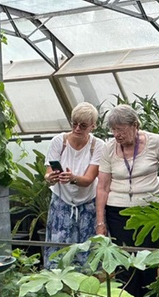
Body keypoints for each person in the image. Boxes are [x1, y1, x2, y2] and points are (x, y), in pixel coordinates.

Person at [96, 105, 159, 297]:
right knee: (124, 263)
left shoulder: (156, 142)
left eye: (121, 129)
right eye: (113, 130)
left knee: (148, 262)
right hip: (117, 211)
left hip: (151, 211)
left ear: (135, 126)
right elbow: (102, 186)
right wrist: (100, 221)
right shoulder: (109, 149)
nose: (116, 135)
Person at [43, 102, 105, 267]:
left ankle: (86, 288)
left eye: (83, 125)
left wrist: (72, 178)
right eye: (74, 124)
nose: (77, 129)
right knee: (59, 250)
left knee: (87, 251)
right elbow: (47, 174)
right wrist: (52, 177)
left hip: (87, 204)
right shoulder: (59, 141)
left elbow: (89, 179)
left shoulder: (98, 145)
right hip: (61, 203)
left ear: (93, 126)